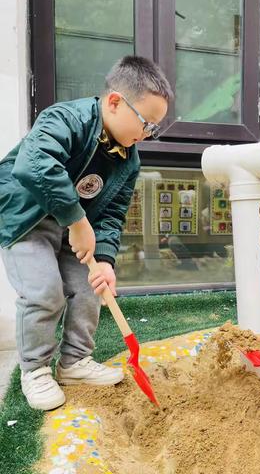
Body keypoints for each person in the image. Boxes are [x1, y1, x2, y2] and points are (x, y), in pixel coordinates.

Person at [0, 56, 172, 410]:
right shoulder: (66, 119)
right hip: (26, 218)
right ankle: (35, 370)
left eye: (154, 128)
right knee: (44, 292)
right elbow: (33, 164)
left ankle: (75, 362)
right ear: (114, 102)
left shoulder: (130, 159)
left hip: (74, 227)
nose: (146, 134)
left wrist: (106, 260)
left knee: (90, 287)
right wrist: (77, 221)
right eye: (146, 122)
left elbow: (111, 214)